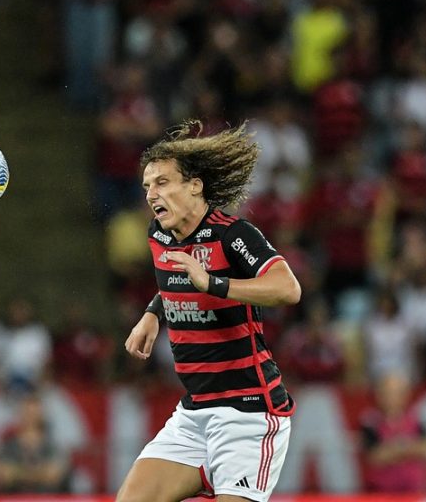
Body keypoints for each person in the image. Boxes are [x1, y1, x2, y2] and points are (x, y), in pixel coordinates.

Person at [119, 120, 302, 502]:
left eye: (163, 183)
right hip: (194, 413)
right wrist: (154, 312)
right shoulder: (159, 234)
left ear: (195, 185)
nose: (152, 193)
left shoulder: (232, 234)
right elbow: (176, 276)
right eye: (147, 186)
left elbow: (288, 289)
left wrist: (214, 284)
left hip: (249, 414)